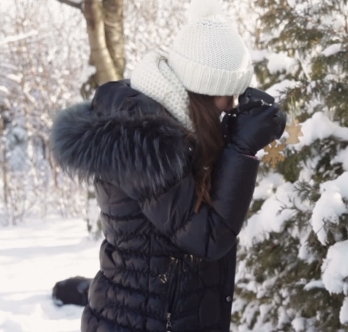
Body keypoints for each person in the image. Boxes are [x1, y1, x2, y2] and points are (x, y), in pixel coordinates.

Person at [50, 1, 286, 331]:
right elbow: (207, 237)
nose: (233, 106)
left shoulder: (182, 125)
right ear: (201, 92)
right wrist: (241, 149)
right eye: (229, 95)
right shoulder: (142, 143)